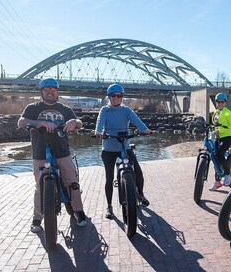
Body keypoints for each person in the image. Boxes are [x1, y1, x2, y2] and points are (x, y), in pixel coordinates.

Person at [17, 78, 87, 233]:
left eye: (53, 90)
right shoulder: (33, 108)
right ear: (42, 92)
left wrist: (74, 122)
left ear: (57, 92)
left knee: (72, 182)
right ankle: (37, 218)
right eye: (47, 90)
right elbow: (21, 123)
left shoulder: (64, 109)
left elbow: (80, 123)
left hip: (62, 151)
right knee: (39, 185)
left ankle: (79, 212)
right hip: (40, 152)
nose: (50, 92)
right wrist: (38, 123)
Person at [95, 83, 152, 219]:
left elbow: (136, 121)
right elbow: (100, 122)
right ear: (109, 97)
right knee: (109, 178)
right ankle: (109, 206)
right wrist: (98, 132)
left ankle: (141, 195)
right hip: (109, 148)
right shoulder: (105, 110)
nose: (116, 98)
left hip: (124, 146)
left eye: (118, 96)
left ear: (122, 97)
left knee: (138, 171)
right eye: (113, 96)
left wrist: (145, 130)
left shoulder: (126, 110)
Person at [209, 93, 231, 191]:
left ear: (225, 103)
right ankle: (217, 181)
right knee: (215, 157)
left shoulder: (227, 112)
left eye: (222, 102)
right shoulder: (216, 112)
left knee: (220, 154)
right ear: (216, 102)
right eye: (218, 102)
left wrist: (220, 131)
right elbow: (215, 124)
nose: (220, 104)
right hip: (218, 137)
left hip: (227, 137)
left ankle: (228, 174)